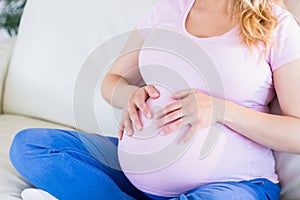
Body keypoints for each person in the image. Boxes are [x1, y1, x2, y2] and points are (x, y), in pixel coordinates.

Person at [9, 0, 300, 199]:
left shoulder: (276, 24)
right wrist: (129, 95)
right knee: (30, 147)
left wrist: (220, 110)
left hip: (233, 185)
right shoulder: (167, 9)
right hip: (137, 172)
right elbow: (112, 82)